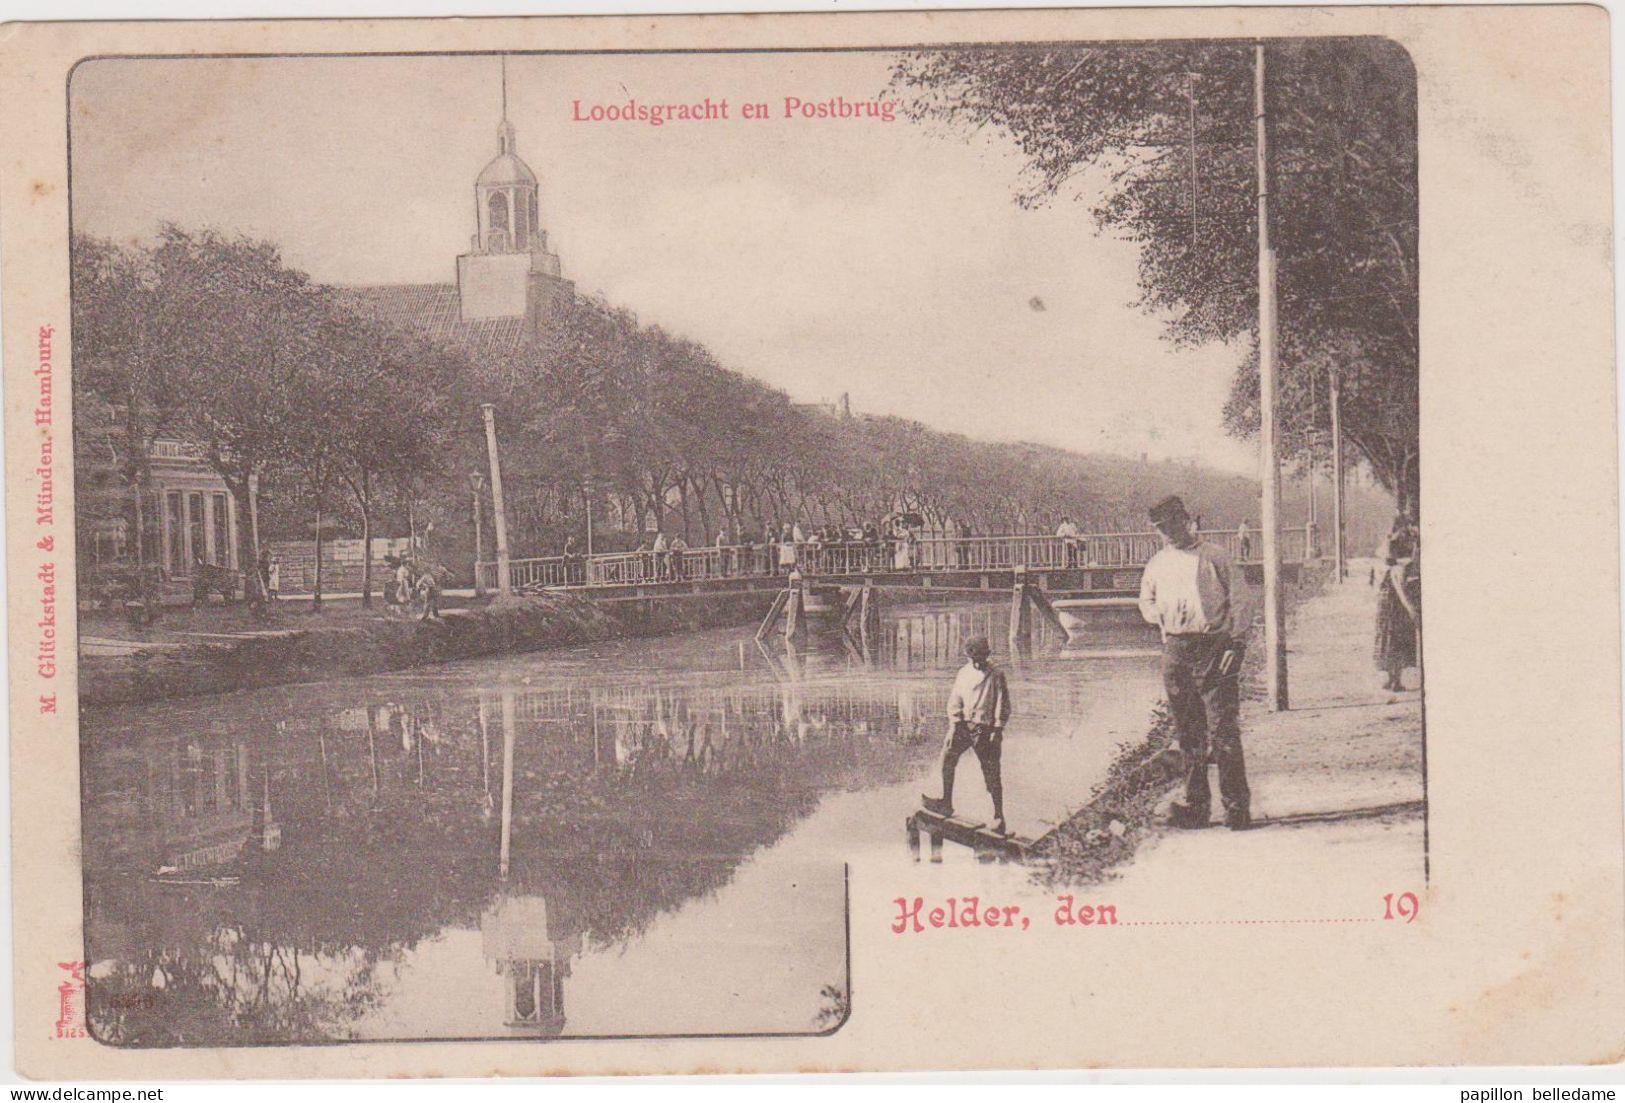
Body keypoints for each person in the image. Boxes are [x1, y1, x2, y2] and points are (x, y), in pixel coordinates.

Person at [1139, 495, 1253, 831]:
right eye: (1161, 528)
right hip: (1176, 649)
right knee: (1188, 734)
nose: (1168, 532)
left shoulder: (1214, 557)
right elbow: (1146, 601)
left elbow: (1242, 601)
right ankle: (1196, 806)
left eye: (1172, 524)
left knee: (1223, 730)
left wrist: (1237, 641)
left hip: (1214, 647)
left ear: (1185, 520)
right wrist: (1162, 617)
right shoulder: (1157, 563)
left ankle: (1236, 808)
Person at [921, 636, 1012, 835]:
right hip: (964, 725)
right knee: (947, 758)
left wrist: (997, 729)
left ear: (987, 655)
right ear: (968, 657)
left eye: (980, 658)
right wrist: (954, 725)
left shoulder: (996, 674)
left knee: (991, 771)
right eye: (973, 659)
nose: (977, 662)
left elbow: (1002, 703)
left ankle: (998, 816)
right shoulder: (963, 672)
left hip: (984, 728)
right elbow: (955, 699)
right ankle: (946, 802)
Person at [1374, 515, 1420, 691]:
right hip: (1395, 600)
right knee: (1394, 639)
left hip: (1389, 601)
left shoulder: (1394, 545)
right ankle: (1394, 679)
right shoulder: (1396, 546)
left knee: (1391, 639)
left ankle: (1394, 678)